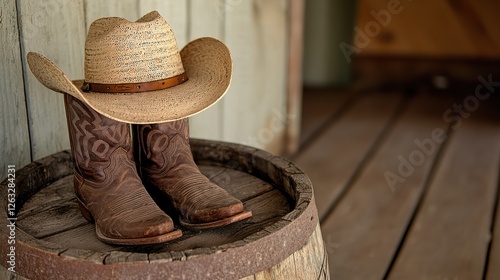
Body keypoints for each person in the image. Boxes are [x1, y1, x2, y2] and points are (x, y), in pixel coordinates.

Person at [27, 11, 251, 246]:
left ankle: (163, 173)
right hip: (104, 185)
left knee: (172, 162)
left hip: (162, 172)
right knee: (114, 173)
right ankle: (96, 185)